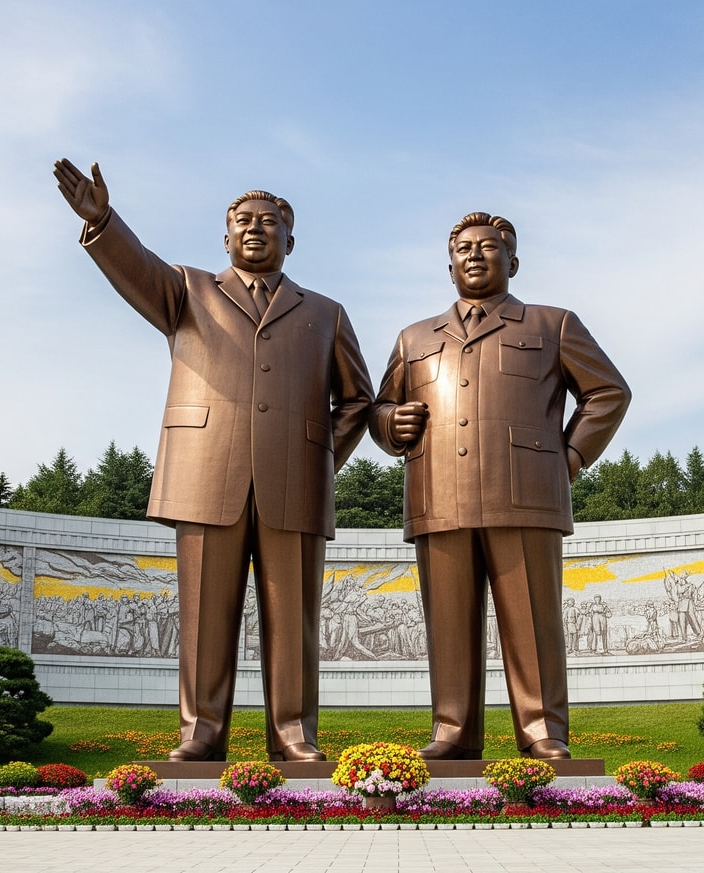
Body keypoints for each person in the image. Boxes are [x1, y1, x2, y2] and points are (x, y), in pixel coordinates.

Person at [55, 159, 372, 762]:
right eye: (244, 222)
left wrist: (321, 456)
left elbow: (356, 399)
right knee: (204, 616)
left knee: (295, 619)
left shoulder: (325, 312)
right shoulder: (188, 290)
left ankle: (294, 735)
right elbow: (138, 270)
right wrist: (103, 221)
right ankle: (201, 734)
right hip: (205, 474)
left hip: (295, 480)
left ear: (291, 239)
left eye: (270, 222)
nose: (256, 229)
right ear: (225, 237)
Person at [370, 211, 630, 760]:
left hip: (526, 494)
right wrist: (390, 424)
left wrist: (571, 456)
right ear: (449, 264)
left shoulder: (551, 323)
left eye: (489, 247)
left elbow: (608, 392)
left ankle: (542, 731)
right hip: (438, 495)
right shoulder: (414, 337)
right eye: (464, 248)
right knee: (448, 621)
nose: (474, 255)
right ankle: (453, 731)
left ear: (513, 261)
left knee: (533, 619)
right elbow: (380, 407)